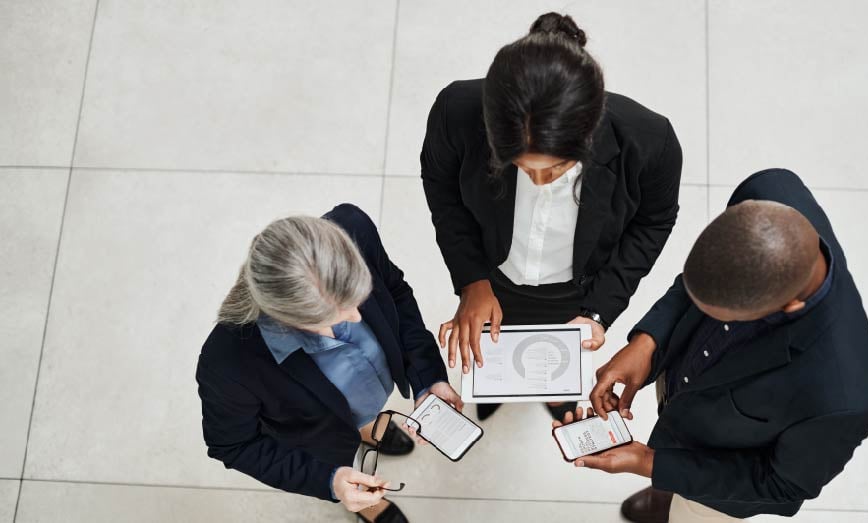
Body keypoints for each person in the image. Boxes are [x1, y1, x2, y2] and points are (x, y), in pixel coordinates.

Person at [563, 169, 868, 522]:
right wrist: (647, 342)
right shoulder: (768, 190)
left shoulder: (841, 400)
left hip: (719, 487)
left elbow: (781, 486)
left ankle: (675, 491)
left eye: (728, 318)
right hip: (687, 396)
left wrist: (650, 464)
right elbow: (700, 282)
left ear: (787, 305)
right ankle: (668, 488)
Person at [421, 12, 683, 420]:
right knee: (493, 365)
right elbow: (442, 189)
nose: (540, 183)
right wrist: (472, 280)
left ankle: (553, 396)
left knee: (557, 377)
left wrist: (598, 312)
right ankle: (493, 394)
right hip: (492, 275)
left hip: (578, 289)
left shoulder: (651, 141)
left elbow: (654, 221)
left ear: (591, 128)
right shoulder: (456, 109)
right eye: (524, 168)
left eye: (557, 168)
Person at [196, 204, 462, 523]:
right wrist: (331, 481)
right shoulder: (227, 364)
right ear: (286, 318)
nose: (357, 317)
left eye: (360, 297)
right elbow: (234, 445)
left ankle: (369, 429)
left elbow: (397, 294)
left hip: (364, 389)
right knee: (342, 449)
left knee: (364, 412)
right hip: (318, 431)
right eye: (335, 315)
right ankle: (368, 504)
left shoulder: (353, 228)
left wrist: (427, 379)